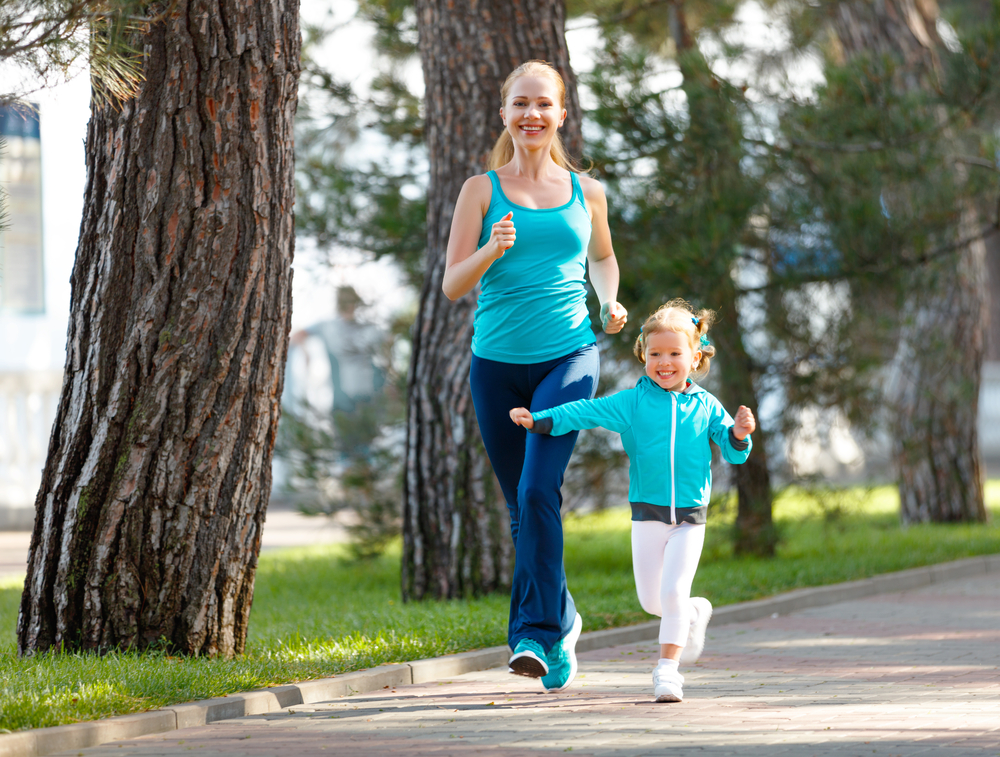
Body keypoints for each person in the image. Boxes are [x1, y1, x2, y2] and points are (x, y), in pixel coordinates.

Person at [442, 60, 628, 693]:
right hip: (495, 368)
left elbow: (602, 259)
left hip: (569, 358)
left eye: (544, 104)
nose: (532, 115)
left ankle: (535, 637)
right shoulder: (479, 190)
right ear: (505, 113)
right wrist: (492, 248)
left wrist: (609, 301)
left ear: (561, 113)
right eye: (521, 104)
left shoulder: (588, 192)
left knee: (537, 490)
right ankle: (564, 616)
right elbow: (451, 285)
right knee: (522, 507)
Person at [510, 300, 756, 703]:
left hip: (690, 520)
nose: (664, 362)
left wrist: (741, 434)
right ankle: (693, 613)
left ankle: (667, 672)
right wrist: (539, 420)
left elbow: (732, 450)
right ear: (644, 355)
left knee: (674, 592)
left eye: (675, 354)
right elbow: (584, 412)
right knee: (652, 601)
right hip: (647, 517)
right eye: (655, 353)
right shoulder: (632, 403)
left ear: (694, 357)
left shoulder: (706, 405)